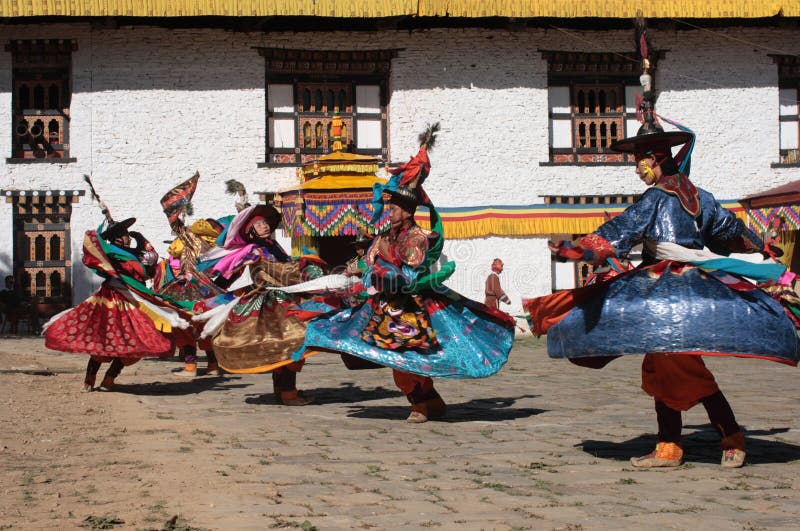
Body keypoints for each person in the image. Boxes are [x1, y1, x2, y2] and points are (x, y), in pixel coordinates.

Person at [526, 120, 800, 468]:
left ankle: (726, 436)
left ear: (656, 158)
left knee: (680, 367)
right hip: (695, 288)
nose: (638, 171)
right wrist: (762, 249)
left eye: (640, 163)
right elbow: (731, 232)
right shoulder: (702, 197)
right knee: (663, 365)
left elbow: (623, 229)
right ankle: (671, 444)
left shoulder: (656, 198)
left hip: (666, 292)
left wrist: (579, 248)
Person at [296, 123, 516, 423]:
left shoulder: (417, 238)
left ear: (409, 211)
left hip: (409, 306)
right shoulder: (383, 236)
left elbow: (412, 272)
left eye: (398, 208)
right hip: (381, 303)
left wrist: (385, 278)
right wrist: (345, 274)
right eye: (391, 207)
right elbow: (366, 261)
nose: (392, 212)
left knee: (408, 360)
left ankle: (422, 405)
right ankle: (429, 401)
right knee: (395, 358)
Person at [44, 217, 188, 391]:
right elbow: (100, 261)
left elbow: (148, 271)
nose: (129, 238)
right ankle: (90, 378)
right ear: (118, 238)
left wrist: (143, 243)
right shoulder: (111, 254)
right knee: (105, 341)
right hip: (111, 300)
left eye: (128, 234)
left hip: (134, 300)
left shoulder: (135, 254)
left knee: (132, 342)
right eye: (126, 235)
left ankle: (109, 378)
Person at [203, 204, 314, 406]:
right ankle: (288, 393)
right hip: (271, 304)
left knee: (282, 346)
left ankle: (283, 391)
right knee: (291, 343)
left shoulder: (274, 246)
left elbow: (285, 267)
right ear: (250, 231)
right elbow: (278, 270)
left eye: (265, 223)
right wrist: (303, 266)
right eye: (259, 224)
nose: (264, 226)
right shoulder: (255, 251)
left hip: (283, 298)